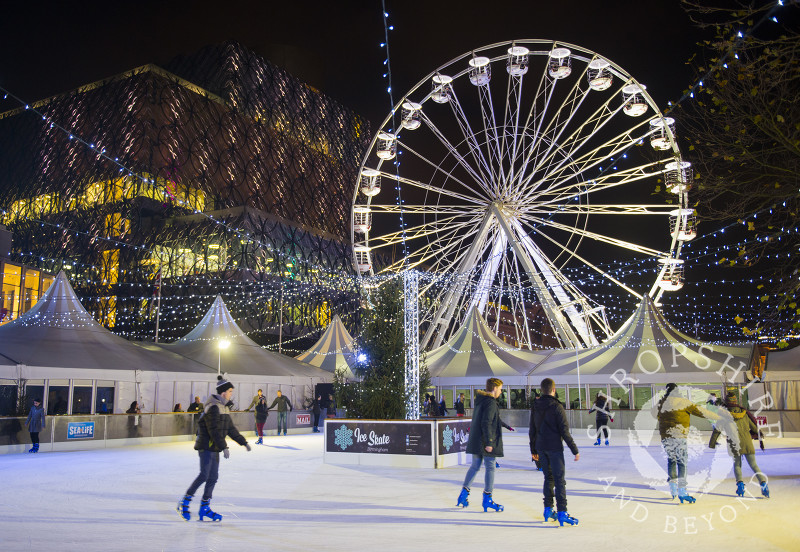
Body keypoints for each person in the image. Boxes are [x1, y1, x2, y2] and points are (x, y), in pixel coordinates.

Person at [177, 376, 251, 522]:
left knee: (213, 477)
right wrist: (224, 447)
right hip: (206, 445)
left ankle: (204, 507)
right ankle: (184, 502)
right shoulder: (213, 407)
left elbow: (230, 428)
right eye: (230, 391)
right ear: (223, 392)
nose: (231, 394)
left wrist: (243, 442)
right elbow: (214, 430)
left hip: (215, 447)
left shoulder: (225, 407)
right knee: (204, 475)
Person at [656, 383, 718, 503]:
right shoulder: (683, 402)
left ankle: (673, 489)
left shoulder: (661, 402)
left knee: (672, 460)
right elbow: (701, 411)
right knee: (682, 462)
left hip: (665, 436)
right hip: (679, 435)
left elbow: (657, 416)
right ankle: (682, 490)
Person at [531, 378, 580, 526]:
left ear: (542, 390)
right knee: (559, 480)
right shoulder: (557, 407)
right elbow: (564, 431)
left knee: (548, 477)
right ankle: (562, 512)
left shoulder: (536, 406)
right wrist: (574, 450)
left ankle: (548, 509)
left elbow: (532, 429)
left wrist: (533, 450)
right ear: (553, 390)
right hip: (554, 448)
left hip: (540, 447)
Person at [455, 378, 505, 513]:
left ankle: (463, 495)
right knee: (490, 467)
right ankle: (487, 498)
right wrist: (489, 442)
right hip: (485, 440)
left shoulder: (481, 401)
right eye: (500, 389)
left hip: (477, 440)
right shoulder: (490, 403)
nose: (500, 392)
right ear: (494, 388)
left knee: (475, 466)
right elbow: (486, 422)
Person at [710, 391, 769, 498]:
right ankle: (764, 484)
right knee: (754, 465)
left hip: (734, 444)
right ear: (736, 402)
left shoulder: (723, 415)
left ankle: (740, 486)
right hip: (747, 442)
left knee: (737, 465)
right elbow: (755, 428)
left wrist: (712, 443)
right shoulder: (744, 413)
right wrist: (756, 434)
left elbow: (717, 430)